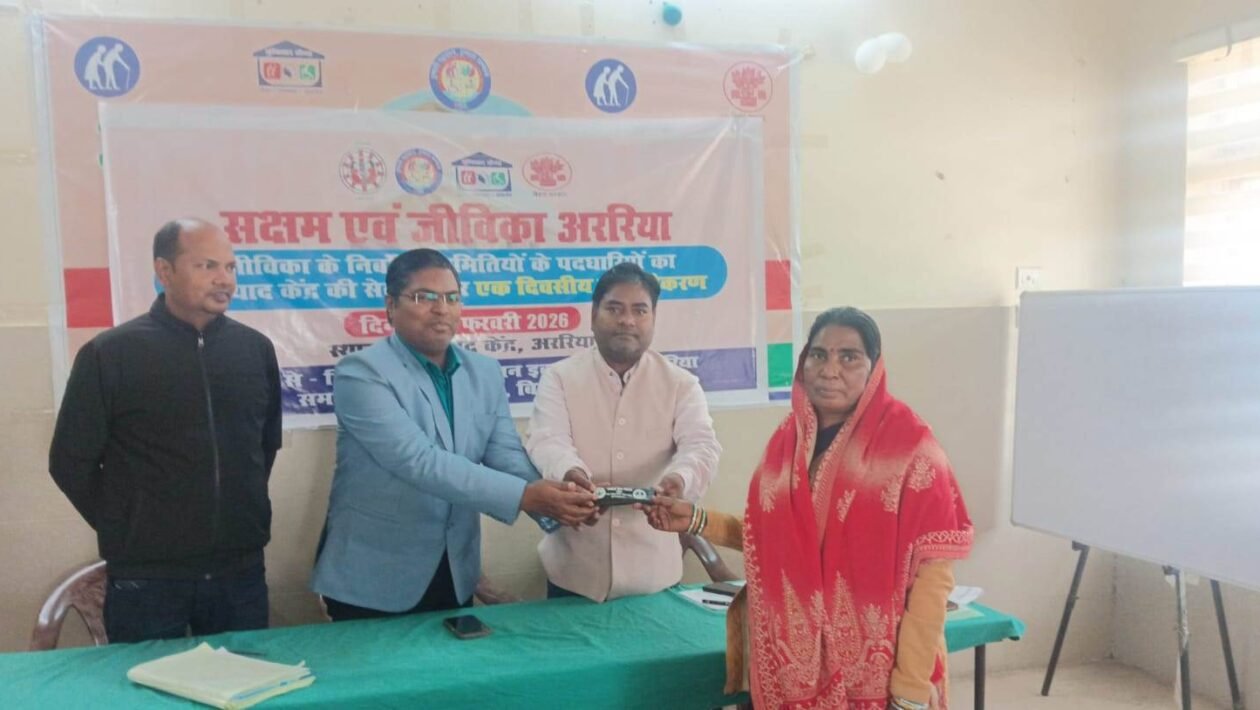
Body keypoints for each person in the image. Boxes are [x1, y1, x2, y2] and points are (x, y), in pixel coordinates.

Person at [641, 307, 972, 710]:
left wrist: (910, 690)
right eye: (819, 354)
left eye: (849, 356)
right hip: (795, 674)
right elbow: (774, 540)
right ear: (803, 363)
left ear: (874, 367)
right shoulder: (786, 444)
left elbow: (933, 577)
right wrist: (696, 519)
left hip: (882, 681)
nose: (830, 370)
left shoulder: (911, 447)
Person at [311, 249, 595, 620]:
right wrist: (527, 496)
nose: (441, 309)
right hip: (374, 577)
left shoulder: (484, 372)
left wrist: (563, 500)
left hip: (455, 572)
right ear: (391, 306)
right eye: (423, 297)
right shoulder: (361, 372)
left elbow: (505, 453)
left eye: (451, 297)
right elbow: (420, 462)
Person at [49, 218, 282, 642]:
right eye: (207, 266)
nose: (224, 279)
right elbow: (70, 462)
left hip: (238, 573)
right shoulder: (110, 354)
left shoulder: (254, 350)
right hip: (148, 580)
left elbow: (264, 447)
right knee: (147, 683)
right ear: (164, 271)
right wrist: (129, 525)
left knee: (243, 677)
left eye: (230, 267)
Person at [526, 262, 720, 601]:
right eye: (614, 308)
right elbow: (547, 440)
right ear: (593, 315)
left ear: (653, 319)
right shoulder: (559, 377)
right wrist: (573, 476)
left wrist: (679, 481)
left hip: (654, 574)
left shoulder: (681, 384)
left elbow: (702, 446)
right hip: (575, 572)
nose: (627, 320)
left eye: (639, 310)